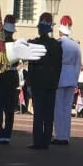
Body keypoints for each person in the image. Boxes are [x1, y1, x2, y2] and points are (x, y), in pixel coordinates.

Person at [25, 12, 62, 149]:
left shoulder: (35, 44)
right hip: (51, 83)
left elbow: (31, 65)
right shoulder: (56, 45)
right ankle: (46, 139)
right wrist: (56, 82)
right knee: (48, 113)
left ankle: (37, 140)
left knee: (39, 113)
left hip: (38, 83)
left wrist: (29, 82)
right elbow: (59, 66)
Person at [0, 14, 20, 143]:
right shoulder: (15, 45)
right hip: (12, 77)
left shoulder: (0, 45)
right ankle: (7, 134)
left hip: (1, 77)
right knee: (9, 109)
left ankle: (0, 134)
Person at [53, 14, 80, 145]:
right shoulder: (75, 45)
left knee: (58, 108)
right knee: (67, 108)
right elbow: (77, 64)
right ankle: (66, 135)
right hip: (70, 77)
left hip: (59, 76)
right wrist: (75, 79)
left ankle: (59, 135)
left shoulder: (58, 44)